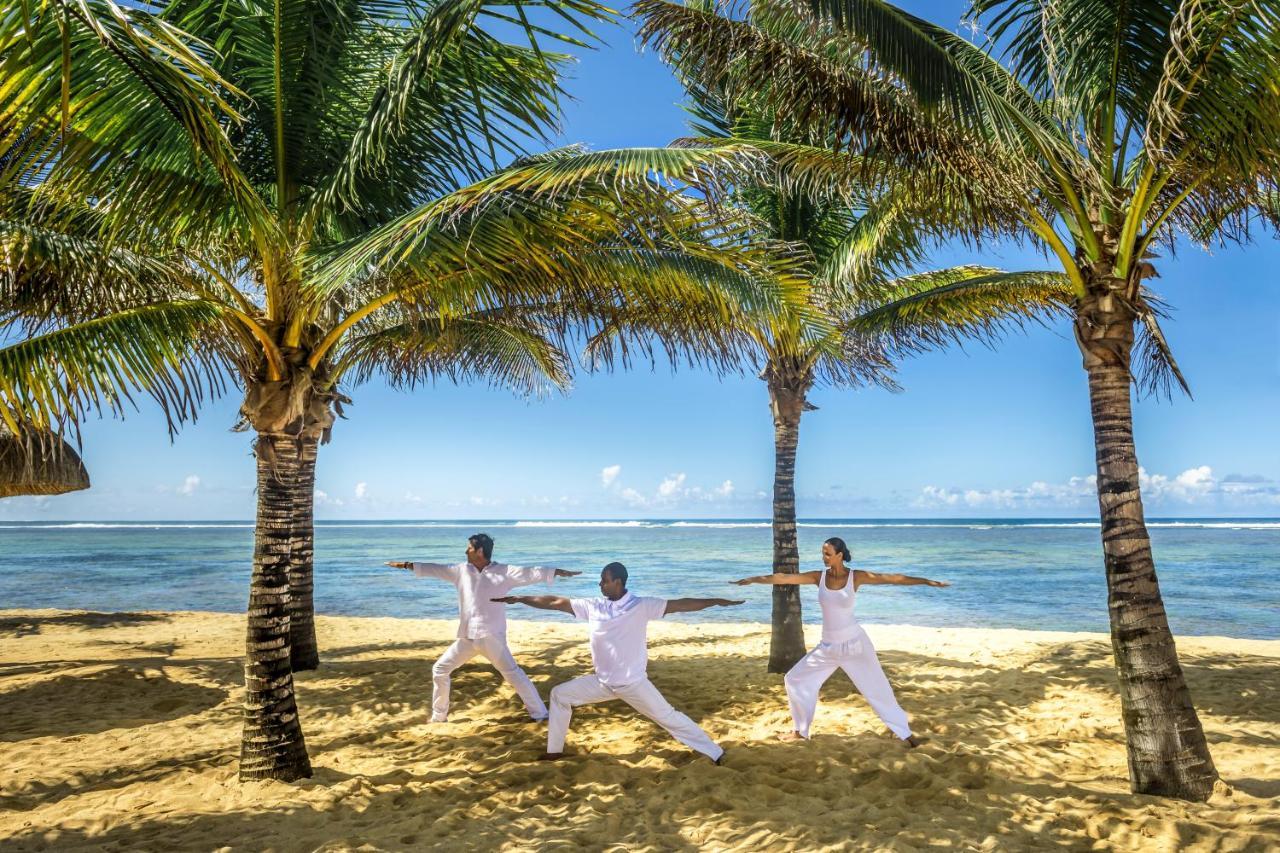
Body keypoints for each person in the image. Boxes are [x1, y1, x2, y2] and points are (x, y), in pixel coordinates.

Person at [492, 561, 742, 763]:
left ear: (618, 582)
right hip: (602, 683)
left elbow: (682, 604)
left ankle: (715, 753)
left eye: (604, 580)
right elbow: (556, 602)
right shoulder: (594, 606)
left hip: (633, 684)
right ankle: (554, 752)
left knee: (669, 718)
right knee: (559, 695)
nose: (600, 584)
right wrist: (522, 598)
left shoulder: (641, 606)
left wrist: (716, 601)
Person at [731, 537, 948, 747]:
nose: (824, 557)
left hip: (855, 644)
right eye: (822, 553)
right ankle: (800, 731)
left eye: (828, 553)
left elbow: (893, 578)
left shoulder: (857, 577)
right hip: (828, 648)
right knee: (795, 679)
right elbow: (784, 578)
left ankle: (905, 733)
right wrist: (754, 579)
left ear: (840, 555)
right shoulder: (819, 577)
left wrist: (927, 582)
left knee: (878, 690)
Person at [387, 533, 580, 722]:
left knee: (514, 675)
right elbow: (434, 569)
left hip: (491, 638)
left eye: (469, 547)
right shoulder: (460, 570)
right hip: (467, 638)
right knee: (440, 669)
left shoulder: (504, 572)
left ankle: (540, 714)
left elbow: (531, 573)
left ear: (479, 551)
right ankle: (439, 716)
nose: (466, 551)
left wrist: (556, 572)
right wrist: (405, 565)